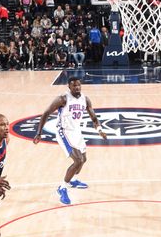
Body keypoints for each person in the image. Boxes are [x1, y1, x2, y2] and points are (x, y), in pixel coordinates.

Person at [33, 76, 106, 205]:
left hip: (76, 131)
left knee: (83, 159)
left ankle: (73, 180)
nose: (77, 87)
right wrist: (39, 133)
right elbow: (46, 113)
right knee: (77, 160)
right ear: (69, 87)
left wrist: (99, 130)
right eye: (74, 86)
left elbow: (94, 118)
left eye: (79, 85)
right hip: (64, 131)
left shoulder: (85, 99)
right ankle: (62, 188)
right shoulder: (63, 99)